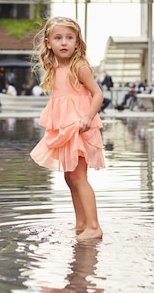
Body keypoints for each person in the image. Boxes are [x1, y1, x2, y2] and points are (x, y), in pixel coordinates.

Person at [30, 16, 104, 241]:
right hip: (65, 128)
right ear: (48, 42)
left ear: (77, 42)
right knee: (69, 178)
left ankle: (94, 226)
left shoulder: (78, 66)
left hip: (80, 127)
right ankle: (81, 222)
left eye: (69, 38)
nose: (64, 42)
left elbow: (98, 94)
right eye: (58, 38)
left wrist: (87, 117)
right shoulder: (53, 68)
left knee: (79, 177)